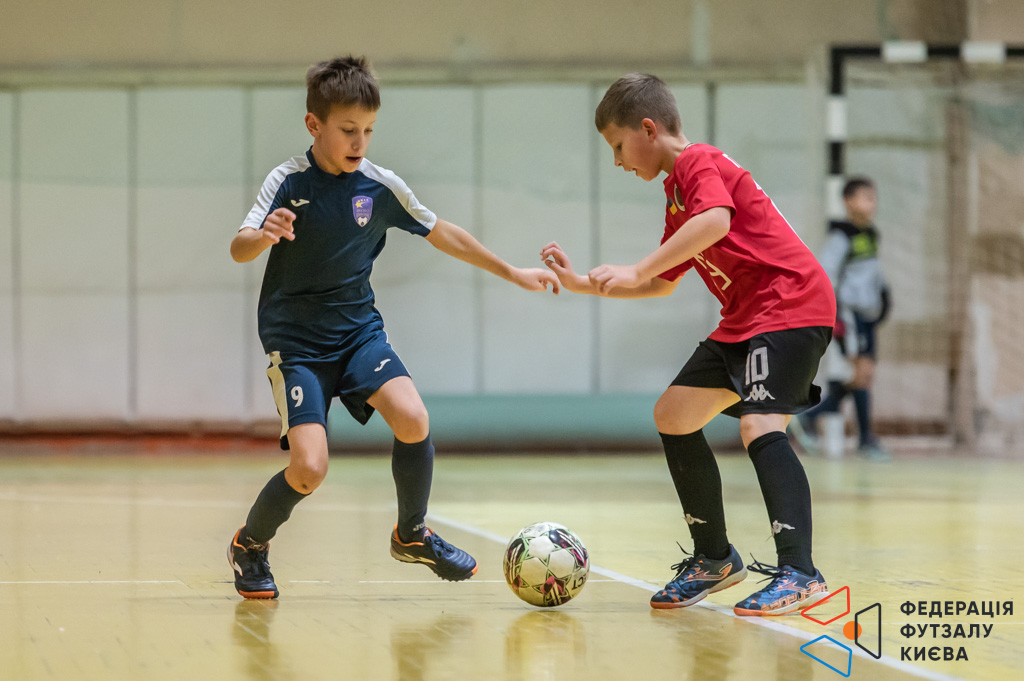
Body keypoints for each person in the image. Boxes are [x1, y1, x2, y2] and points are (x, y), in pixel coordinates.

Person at [228, 56, 559, 599]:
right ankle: (250, 545)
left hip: (358, 334)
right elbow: (239, 248)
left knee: (413, 417)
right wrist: (264, 234)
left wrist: (514, 272)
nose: (359, 142)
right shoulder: (287, 181)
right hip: (298, 346)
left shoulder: (380, 186)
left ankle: (412, 534)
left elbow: (443, 232)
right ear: (314, 125)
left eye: (368, 130)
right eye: (348, 130)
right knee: (309, 468)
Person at [540, 73, 835, 616]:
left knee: (759, 425)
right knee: (673, 415)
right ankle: (714, 558)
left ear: (648, 129)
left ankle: (800, 572)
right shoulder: (676, 194)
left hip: (790, 304)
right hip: (745, 319)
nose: (617, 162)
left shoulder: (699, 162)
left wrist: (635, 267)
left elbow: (716, 222)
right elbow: (662, 282)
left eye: (618, 146)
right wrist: (583, 282)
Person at [791, 177, 891, 460]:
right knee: (862, 374)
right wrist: (836, 316)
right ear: (848, 201)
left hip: (867, 315)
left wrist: (883, 295)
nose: (872, 203)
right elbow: (826, 274)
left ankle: (809, 416)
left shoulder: (871, 234)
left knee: (861, 376)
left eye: (874, 198)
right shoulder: (840, 237)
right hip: (850, 315)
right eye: (865, 197)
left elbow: (872, 272)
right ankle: (864, 439)